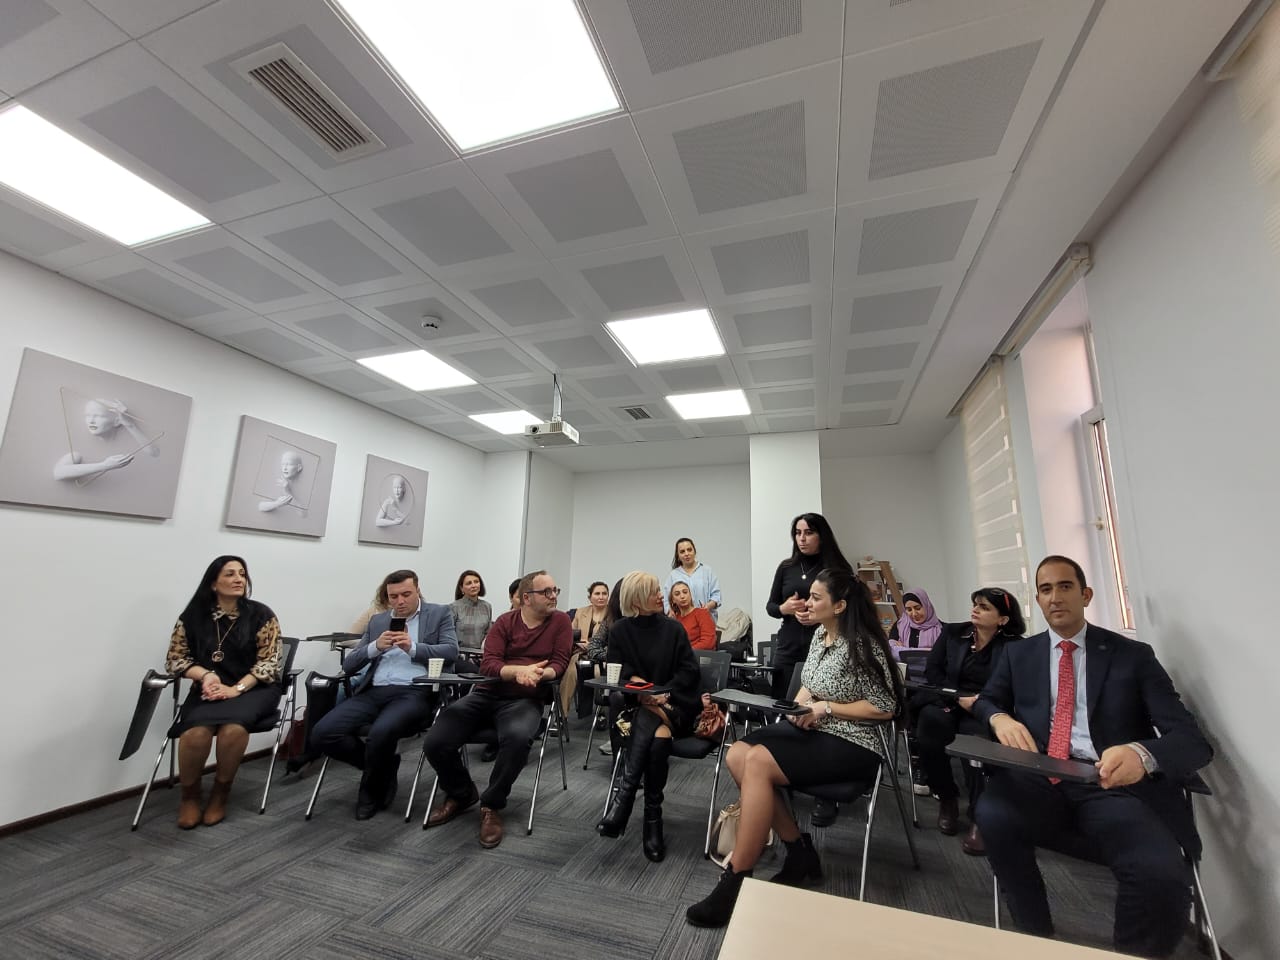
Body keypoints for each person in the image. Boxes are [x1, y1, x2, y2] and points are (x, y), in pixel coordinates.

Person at [973, 556, 1213, 958]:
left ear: (1085, 595)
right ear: (1037, 599)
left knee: (1160, 876)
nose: (1055, 597)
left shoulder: (1132, 655)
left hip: (1108, 784)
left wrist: (1142, 754)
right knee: (993, 814)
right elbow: (987, 701)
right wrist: (999, 718)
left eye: (1065, 586)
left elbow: (1192, 741)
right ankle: (1035, 935)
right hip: (1041, 775)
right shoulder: (1020, 655)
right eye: (1045, 589)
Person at [685, 567, 902, 926]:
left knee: (757, 762)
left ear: (839, 606)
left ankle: (736, 878)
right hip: (815, 730)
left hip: (854, 742)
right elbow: (809, 686)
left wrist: (826, 708)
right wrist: (796, 709)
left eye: (816, 597)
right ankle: (799, 850)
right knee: (738, 754)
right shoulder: (820, 635)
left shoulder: (863, 645)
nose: (807, 602)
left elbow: (885, 707)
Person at [423, 570, 573, 848]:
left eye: (555, 590)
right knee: (435, 740)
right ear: (526, 598)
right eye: (547, 592)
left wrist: (539, 674)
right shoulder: (505, 622)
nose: (554, 596)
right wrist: (517, 671)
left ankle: (491, 804)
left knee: (518, 738)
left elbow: (560, 663)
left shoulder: (560, 621)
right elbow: (489, 664)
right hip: (487, 693)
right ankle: (462, 793)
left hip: (525, 699)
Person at [312, 569, 457, 820]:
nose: (400, 601)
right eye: (393, 596)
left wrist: (413, 647)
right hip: (374, 691)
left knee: (380, 733)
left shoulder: (439, 614)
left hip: (414, 691)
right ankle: (385, 768)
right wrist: (374, 647)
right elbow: (349, 665)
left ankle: (369, 792)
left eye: (406, 594)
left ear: (418, 590)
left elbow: (451, 651)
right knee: (322, 733)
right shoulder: (378, 621)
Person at [164, 556, 282, 829]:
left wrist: (236, 689)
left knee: (233, 730)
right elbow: (175, 660)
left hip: (254, 688)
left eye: (242, 573)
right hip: (210, 687)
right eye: (230, 574)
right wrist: (206, 676)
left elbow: (270, 663)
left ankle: (220, 793)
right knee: (195, 733)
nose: (239, 579)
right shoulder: (192, 617)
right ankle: (190, 796)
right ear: (213, 583)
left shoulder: (261, 615)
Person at [597, 571, 700, 862]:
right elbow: (617, 672)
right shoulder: (619, 631)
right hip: (638, 707)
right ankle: (652, 817)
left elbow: (689, 671)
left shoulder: (673, 629)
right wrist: (639, 687)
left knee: (651, 719)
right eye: (653, 591)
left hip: (675, 705)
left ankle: (624, 798)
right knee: (657, 740)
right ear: (636, 601)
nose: (660, 595)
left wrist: (662, 693)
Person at [914, 587, 1024, 855]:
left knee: (977, 743)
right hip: (950, 701)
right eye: (975, 604)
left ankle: (979, 816)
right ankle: (947, 798)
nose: (975, 610)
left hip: (985, 708)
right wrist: (957, 697)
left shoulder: (1015, 646)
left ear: (1003, 619)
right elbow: (933, 671)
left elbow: (1012, 687)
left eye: (985, 607)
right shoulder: (954, 633)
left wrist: (981, 702)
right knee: (929, 725)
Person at [765, 512, 853, 826]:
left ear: (821, 535)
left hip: (826, 645)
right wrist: (785, 609)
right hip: (789, 645)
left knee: (821, 714)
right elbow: (771, 606)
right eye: (797, 533)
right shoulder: (786, 567)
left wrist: (816, 616)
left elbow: (849, 609)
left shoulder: (837, 570)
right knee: (785, 708)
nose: (802, 538)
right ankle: (785, 774)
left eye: (808, 532)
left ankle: (825, 793)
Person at [54, 397, 160, 481]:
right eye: (88, 415)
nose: (91, 421)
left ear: (116, 421)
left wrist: (130, 424)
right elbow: (58, 472)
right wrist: (105, 465)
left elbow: (154, 453)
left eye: (99, 416)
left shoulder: (125, 443)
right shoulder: (78, 447)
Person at [564, 581, 610, 716]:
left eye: (604, 594)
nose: (601, 597)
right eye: (597, 594)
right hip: (580, 654)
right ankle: (562, 714)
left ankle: (600, 712)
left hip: (600, 657)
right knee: (570, 673)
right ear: (590, 597)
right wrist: (579, 643)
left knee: (597, 674)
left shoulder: (612, 614)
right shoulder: (580, 612)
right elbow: (570, 634)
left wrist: (593, 647)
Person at [661, 537, 722, 621]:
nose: (686, 554)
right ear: (678, 556)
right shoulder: (673, 575)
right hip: (683, 622)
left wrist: (708, 607)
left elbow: (717, 595)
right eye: (682, 551)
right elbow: (666, 600)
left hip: (706, 619)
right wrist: (669, 611)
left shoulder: (707, 571)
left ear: (694, 551)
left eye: (689, 550)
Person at [888, 588, 943, 656]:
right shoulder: (899, 625)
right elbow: (891, 649)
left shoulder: (941, 628)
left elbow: (943, 654)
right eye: (909, 610)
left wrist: (903, 649)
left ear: (927, 606)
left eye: (918, 608)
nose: (914, 614)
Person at [450, 569, 493, 655]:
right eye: (469, 583)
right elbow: (449, 636)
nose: (473, 585)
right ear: (461, 588)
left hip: (481, 655)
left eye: (476, 582)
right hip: (460, 655)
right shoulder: (453, 607)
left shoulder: (487, 606)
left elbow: (489, 634)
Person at [669, 580, 717, 650]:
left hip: (698, 655)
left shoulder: (701, 613)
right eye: (677, 594)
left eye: (685, 592)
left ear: (690, 595)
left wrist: (686, 652)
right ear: (673, 600)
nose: (682, 596)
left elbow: (708, 642)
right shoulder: (675, 619)